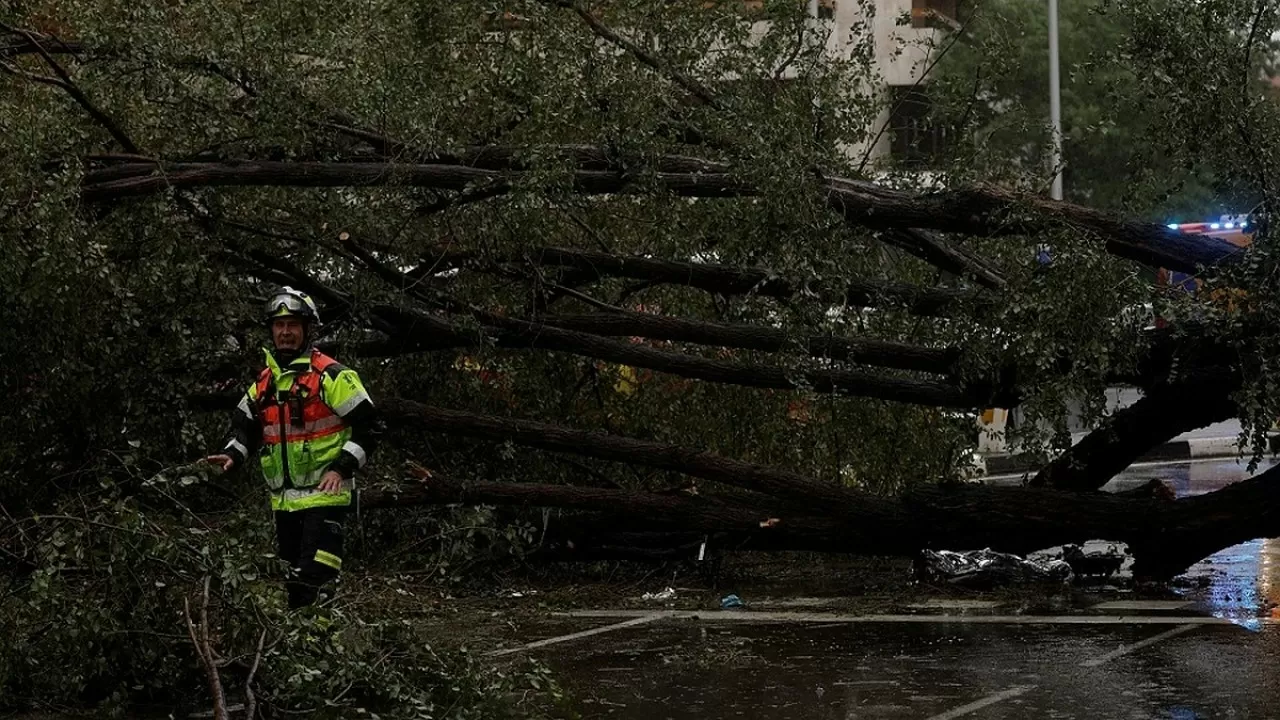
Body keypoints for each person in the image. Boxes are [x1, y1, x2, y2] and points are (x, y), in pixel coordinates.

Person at [204, 287, 378, 609]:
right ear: (271, 330)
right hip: (285, 504)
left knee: (314, 578)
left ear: (307, 329)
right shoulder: (264, 384)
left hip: (327, 497)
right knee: (293, 583)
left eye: (293, 325)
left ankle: (318, 648)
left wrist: (341, 467)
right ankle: (303, 647)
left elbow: (372, 425)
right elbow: (246, 429)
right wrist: (231, 455)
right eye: (279, 325)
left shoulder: (330, 376)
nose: (285, 332)